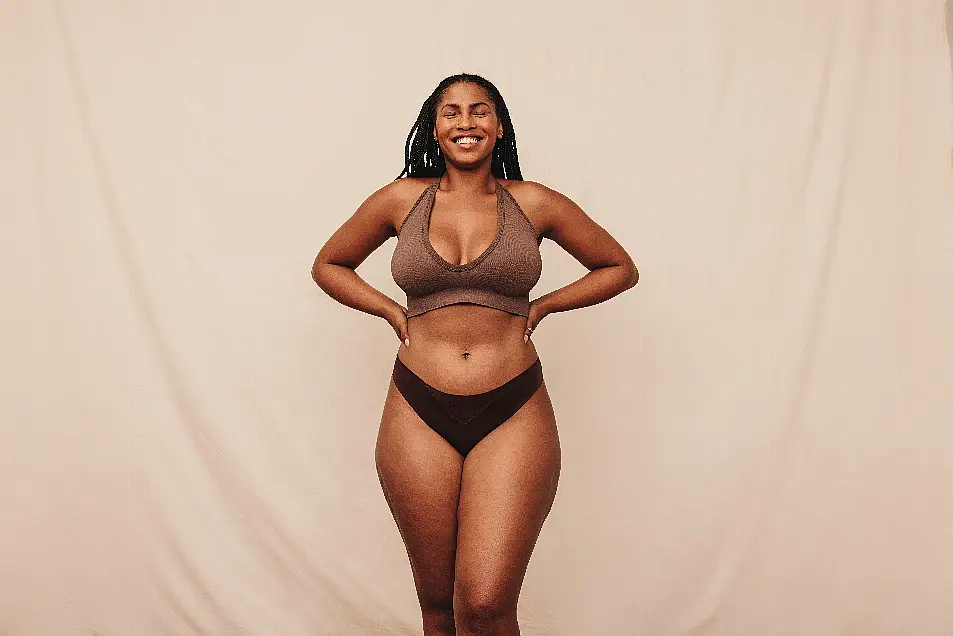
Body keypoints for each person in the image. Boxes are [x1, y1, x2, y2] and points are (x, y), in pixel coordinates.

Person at [311, 73, 638, 636]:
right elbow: (329, 263)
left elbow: (619, 267)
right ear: (433, 129)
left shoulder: (534, 202)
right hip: (418, 407)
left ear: (500, 125)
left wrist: (546, 306)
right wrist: (392, 311)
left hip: (513, 407)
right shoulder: (400, 200)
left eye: (479, 111)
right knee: (439, 606)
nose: (466, 123)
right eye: (452, 113)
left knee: (486, 603)